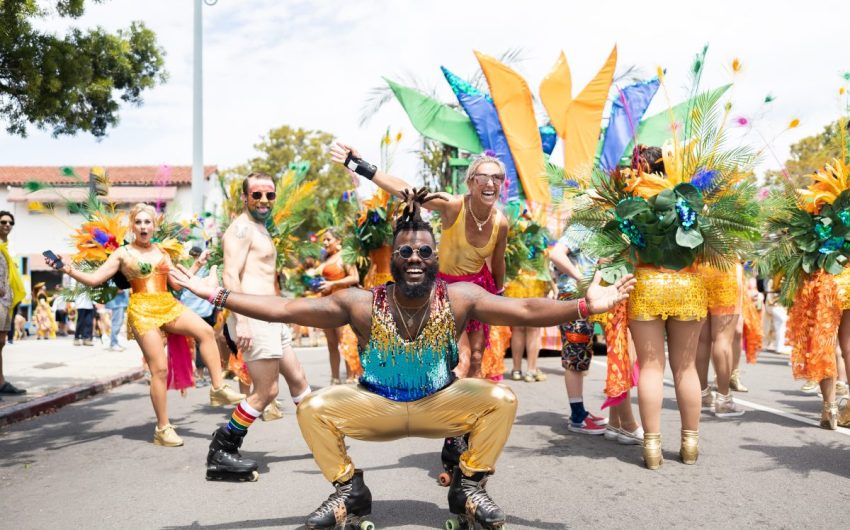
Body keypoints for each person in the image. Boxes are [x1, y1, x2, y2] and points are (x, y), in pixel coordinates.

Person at [170, 189, 636, 529]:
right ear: (393, 257)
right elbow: (285, 307)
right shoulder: (359, 302)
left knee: (501, 397)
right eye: (406, 251)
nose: (415, 258)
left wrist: (584, 307)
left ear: (436, 258)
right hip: (378, 409)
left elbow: (528, 309)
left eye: (424, 252)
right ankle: (349, 491)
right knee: (312, 408)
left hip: (441, 407)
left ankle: (469, 483)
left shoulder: (460, 297)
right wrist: (219, 294)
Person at [45, 203, 244, 446]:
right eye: (138, 222)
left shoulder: (162, 251)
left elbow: (178, 285)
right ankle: (162, 428)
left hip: (167, 303)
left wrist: (198, 264)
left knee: (204, 331)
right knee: (159, 369)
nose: (143, 226)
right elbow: (95, 279)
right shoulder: (122, 253)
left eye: (147, 222)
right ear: (132, 226)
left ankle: (218, 388)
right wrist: (66, 268)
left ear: (153, 226)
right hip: (142, 309)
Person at [330, 144, 509, 379]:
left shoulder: (501, 222)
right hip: (448, 291)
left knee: (477, 358)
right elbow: (408, 190)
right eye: (483, 177)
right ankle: (442, 408)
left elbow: (498, 262)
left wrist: (500, 295)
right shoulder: (453, 205)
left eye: (497, 178)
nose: (490, 183)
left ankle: (468, 413)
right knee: (461, 358)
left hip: (478, 289)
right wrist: (359, 166)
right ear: (471, 183)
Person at [213, 172, 312, 480]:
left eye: (270, 195)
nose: (264, 201)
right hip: (253, 317)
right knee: (267, 391)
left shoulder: (260, 228)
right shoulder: (241, 229)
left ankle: (324, 435)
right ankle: (222, 449)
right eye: (257, 195)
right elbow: (230, 275)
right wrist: (241, 320)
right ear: (245, 198)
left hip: (271, 315)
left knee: (298, 379)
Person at [309, 228, 360, 384]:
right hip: (326, 304)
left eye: (328, 239)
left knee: (344, 341)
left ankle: (351, 377)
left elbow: (354, 277)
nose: (325, 242)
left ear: (338, 241)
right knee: (331, 343)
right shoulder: (326, 259)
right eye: (324, 240)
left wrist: (333, 283)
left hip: (341, 304)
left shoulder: (344, 256)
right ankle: (335, 379)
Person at [696, 263, 746, 417]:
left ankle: (703, 395)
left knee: (701, 340)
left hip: (698, 270)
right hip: (724, 270)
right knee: (723, 339)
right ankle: (724, 399)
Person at [0, 210, 26, 397]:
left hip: (6, 301)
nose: (7, 225)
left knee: (1, 342)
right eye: (3, 222)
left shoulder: (6, 247)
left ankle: (1, 382)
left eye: (10, 223)